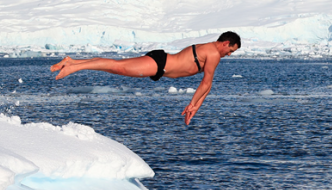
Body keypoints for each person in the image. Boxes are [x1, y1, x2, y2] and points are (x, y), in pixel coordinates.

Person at [51, 31, 241, 125]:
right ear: (225, 43)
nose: (229, 55)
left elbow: (208, 86)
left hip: (161, 64)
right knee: (118, 67)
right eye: (230, 50)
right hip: (160, 63)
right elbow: (206, 82)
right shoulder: (214, 54)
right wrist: (193, 103)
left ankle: (73, 62)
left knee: (118, 66)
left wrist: (195, 106)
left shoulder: (210, 49)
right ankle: (73, 67)